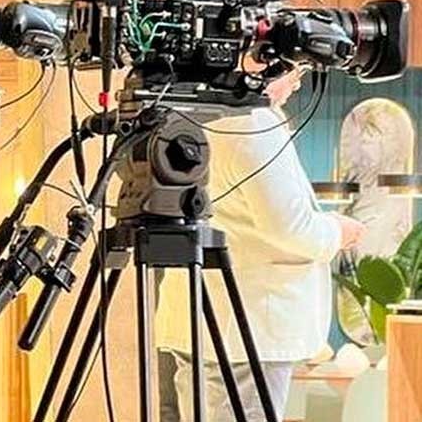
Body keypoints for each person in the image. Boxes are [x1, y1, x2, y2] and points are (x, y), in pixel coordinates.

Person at [154, 63, 367, 422]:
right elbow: (289, 226)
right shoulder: (252, 123)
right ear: (263, 62)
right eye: (295, 73)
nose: (296, 86)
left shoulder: (190, 109)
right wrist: (337, 231)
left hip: (200, 315)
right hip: (249, 326)